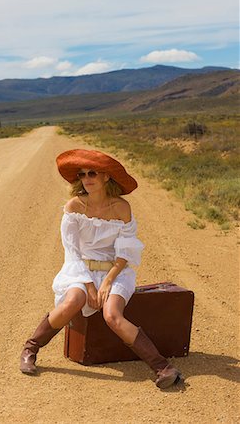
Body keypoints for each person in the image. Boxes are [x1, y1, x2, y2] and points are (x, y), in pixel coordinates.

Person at [20, 149, 183, 389]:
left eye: (92, 173)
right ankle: (30, 350)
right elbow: (72, 251)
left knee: (112, 316)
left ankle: (163, 368)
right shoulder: (74, 206)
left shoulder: (121, 208)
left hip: (115, 272)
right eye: (82, 174)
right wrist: (88, 285)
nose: (86, 178)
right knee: (72, 302)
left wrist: (107, 282)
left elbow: (125, 253)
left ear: (106, 177)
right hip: (80, 268)